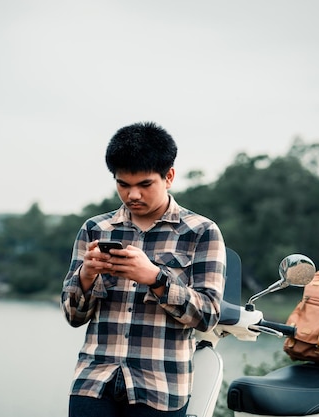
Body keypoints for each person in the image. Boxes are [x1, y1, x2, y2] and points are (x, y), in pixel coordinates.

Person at [61, 121, 226, 417]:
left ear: (169, 177)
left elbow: (208, 317)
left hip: (160, 385)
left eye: (144, 184)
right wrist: (85, 277)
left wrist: (155, 278)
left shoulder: (202, 232)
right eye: (123, 184)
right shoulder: (94, 229)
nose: (132, 195)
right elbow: (73, 316)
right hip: (94, 379)